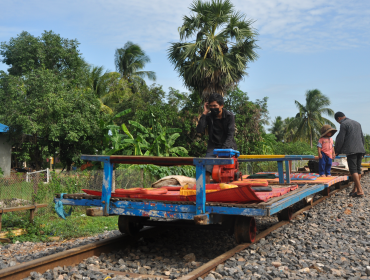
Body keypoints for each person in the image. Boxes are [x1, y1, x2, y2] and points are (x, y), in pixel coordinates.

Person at [196, 93, 237, 183]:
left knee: (226, 171)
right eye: (211, 106)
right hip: (213, 147)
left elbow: (230, 135)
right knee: (206, 169)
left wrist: (222, 151)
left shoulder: (229, 116)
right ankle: (205, 192)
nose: (213, 108)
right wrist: (204, 113)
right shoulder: (208, 116)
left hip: (227, 147)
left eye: (215, 106)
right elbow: (199, 130)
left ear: (221, 105)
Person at [334, 112, 366, 197]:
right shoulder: (357, 123)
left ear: (339, 118)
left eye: (338, 121)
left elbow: (341, 139)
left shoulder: (344, 124)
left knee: (353, 170)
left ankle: (360, 190)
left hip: (351, 150)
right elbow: (362, 137)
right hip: (360, 149)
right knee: (358, 170)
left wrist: (337, 150)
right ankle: (355, 190)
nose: (339, 123)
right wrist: (363, 150)